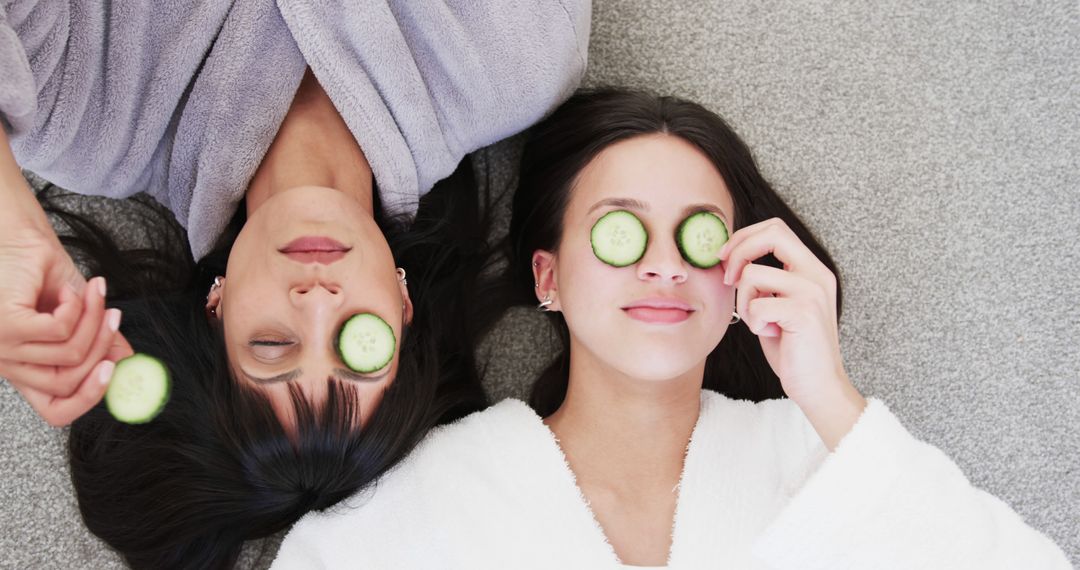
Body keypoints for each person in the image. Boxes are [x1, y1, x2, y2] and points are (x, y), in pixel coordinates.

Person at [271, 88, 1072, 569]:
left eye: (698, 235)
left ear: (738, 277)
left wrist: (831, 395)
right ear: (548, 277)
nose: (663, 265)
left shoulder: (821, 456)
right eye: (621, 232)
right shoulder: (436, 491)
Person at [0, 1, 589, 568]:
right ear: (404, 306)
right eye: (360, 344)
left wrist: (11, 232)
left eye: (272, 345)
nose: (316, 301)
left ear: (217, 305)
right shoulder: (518, 63)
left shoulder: (86, 121)